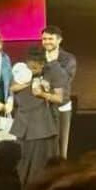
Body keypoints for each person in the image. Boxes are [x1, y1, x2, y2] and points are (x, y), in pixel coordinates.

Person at [10, 46, 69, 187]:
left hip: (41, 127)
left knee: (39, 166)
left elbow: (59, 98)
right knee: (22, 166)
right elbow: (12, 88)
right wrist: (29, 82)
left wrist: (43, 94)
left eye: (37, 67)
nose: (33, 69)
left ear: (43, 64)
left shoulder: (52, 73)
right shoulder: (20, 72)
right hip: (23, 126)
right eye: (31, 66)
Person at [40, 26, 76, 158]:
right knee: (44, 147)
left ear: (59, 40)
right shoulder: (38, 56)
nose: (47, 42)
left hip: (62, 106)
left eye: (51, 39)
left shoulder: (68, 59)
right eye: (44, 39)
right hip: (42, 105)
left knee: (60, 148)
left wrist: (53, 63)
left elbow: (64, 80)